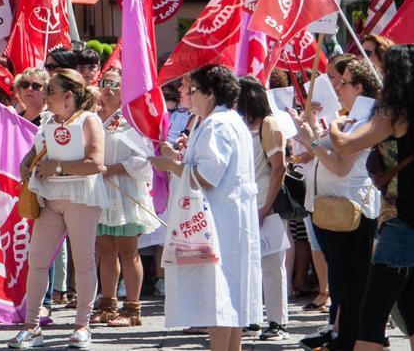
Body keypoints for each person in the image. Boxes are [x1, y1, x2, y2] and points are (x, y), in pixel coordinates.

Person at [325, 45, 414, 351]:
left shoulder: (394, 113)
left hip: (402, 226)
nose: (382, 75)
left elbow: (345, 145)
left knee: (372, 315)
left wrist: (336, 124)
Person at [151, 64, 262, 351]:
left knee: (219, 298)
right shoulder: (224, 121)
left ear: (210, 94)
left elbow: (206, 177)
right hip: (226, 220)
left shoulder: (217, 124)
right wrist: (177, 158)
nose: (187, 94)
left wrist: (171, 165)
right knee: (231, 296)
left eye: (192, 90)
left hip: (218, 223)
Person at [8, 69, 105, 349]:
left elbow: (96, 163)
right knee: (36, 260)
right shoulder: (48, 120)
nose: (45, 97)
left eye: (49, 91)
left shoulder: (89, 121)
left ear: (68, 96)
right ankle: (31, 327)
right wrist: (26, 164)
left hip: (81, 198)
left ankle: (81, 326)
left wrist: (59, 167)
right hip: (50, 199)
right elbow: (35, 151)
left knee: (84, 261)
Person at [292, 59, 383, 350]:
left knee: (352, 282)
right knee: (343, 280)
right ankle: (342, 334)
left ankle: (350, 339)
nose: (337, 87)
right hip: (335, 206)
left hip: (351, 209)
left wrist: (312, 143)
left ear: (358, 87)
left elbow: (342, 166)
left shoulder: (366, 117)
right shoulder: (354, 115)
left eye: (343, 83)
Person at [90, 68, 159, 328]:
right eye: (104, 83)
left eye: (114, 84)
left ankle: (132, 309)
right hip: (99, 191)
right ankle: (108, 305)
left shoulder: (132, 119)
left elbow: (145, 159)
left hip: (125, 192)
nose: (107, 88)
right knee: (105, 251)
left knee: (129, 252)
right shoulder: (92, 118)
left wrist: (115, 169)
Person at [235, 77, 290, 342]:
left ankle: (278, 322)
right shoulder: (241, 125)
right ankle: (253, 318)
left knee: (271, 264)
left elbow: (279, 167)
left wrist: (266, 206)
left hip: (265, 200)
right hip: (246, 202)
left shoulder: (269, 124)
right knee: (248, 265)